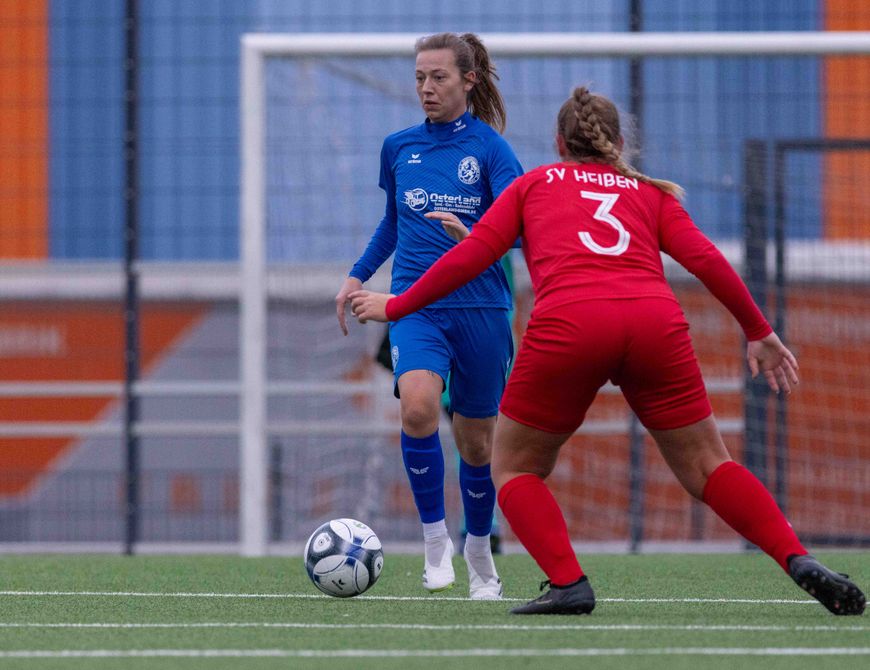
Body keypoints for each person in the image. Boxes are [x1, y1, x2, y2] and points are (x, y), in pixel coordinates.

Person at [348, 86, 867, 616]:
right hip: (654, 324)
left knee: (513, 467)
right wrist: (760, 331)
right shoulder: (649, 193)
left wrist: (397, 305)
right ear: (619, 142)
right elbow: (707, 259)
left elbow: (473, 257)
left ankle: (568, 582)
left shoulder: (533, 185)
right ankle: (796, 556)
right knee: (710, 466)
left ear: (557, 141)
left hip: (570, 324)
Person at [335, 32, 523, 599]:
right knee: (417, 408)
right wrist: (357, 274)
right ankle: (434, 544)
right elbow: (392, 223)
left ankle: (478, 550)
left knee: (477, 446)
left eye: (438, 77)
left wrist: (477, 238)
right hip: (416, 305)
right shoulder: (399, 147)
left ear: (467, 80)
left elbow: (518, 226)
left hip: (483, 308)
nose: (426, 88)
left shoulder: (492, 150)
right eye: (419, 77)